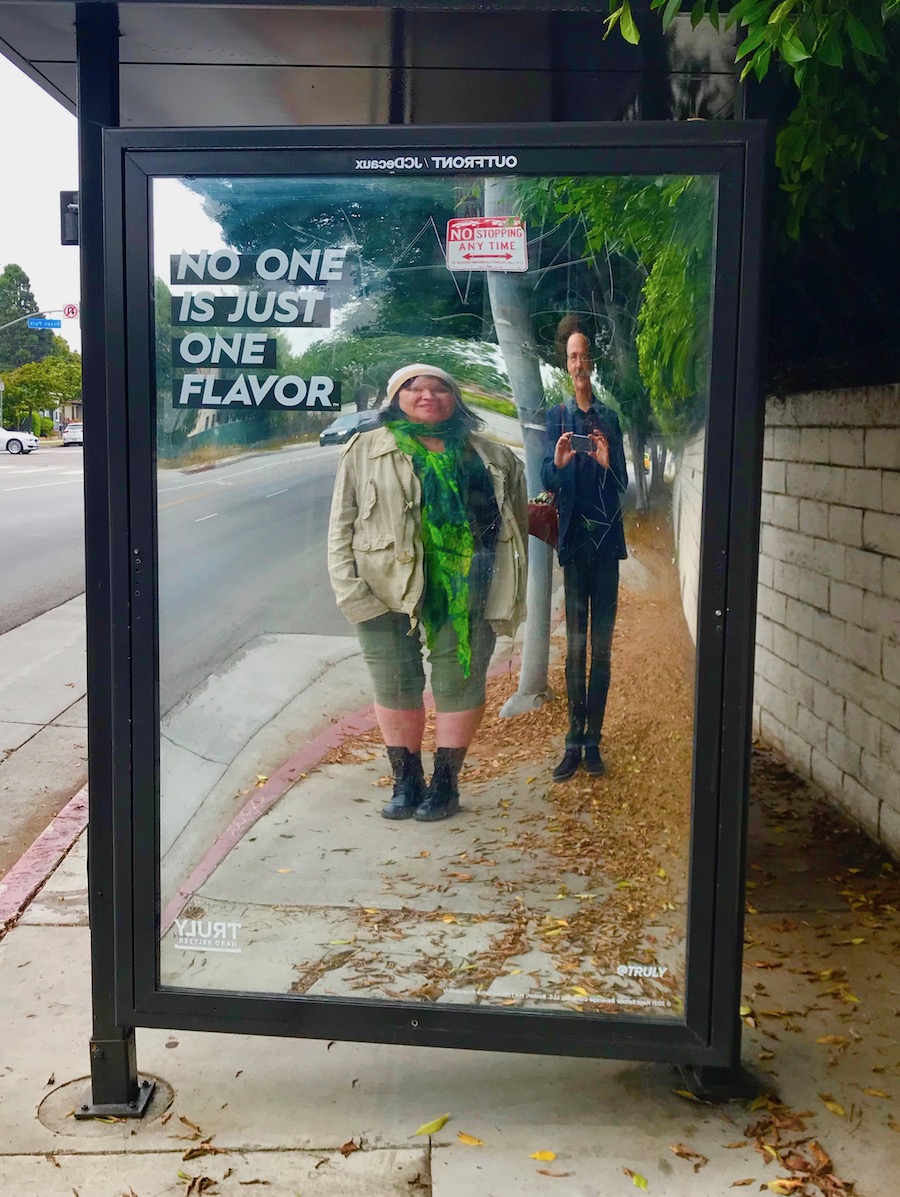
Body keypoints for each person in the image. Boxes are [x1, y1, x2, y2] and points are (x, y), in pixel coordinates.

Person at [328, 364, 528, 821]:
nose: (427, 395)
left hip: (468, 589)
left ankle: (445, 784)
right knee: (394, 682)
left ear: (455, 399)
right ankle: (406, 780)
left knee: (459, 684)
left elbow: (512, 526)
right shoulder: (365, 449)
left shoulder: (492, 455)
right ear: (394, 397)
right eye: (414, 388)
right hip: (382, 588)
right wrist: (350, 590)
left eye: (440, 388)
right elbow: (341, 525)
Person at [541, 324, 628, 781]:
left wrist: (606, 462)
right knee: (575, 651)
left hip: (607, 547)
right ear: (566, 362)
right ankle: (572, 741)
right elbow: (545, 479)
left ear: (592, 363)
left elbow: (623, 485)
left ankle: (593, 741)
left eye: (584, 356)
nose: (578, 363)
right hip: (575, 547)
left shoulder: (610, 419)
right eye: (572, 356)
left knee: (602, 651)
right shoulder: (555, 417)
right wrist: (558, 463)